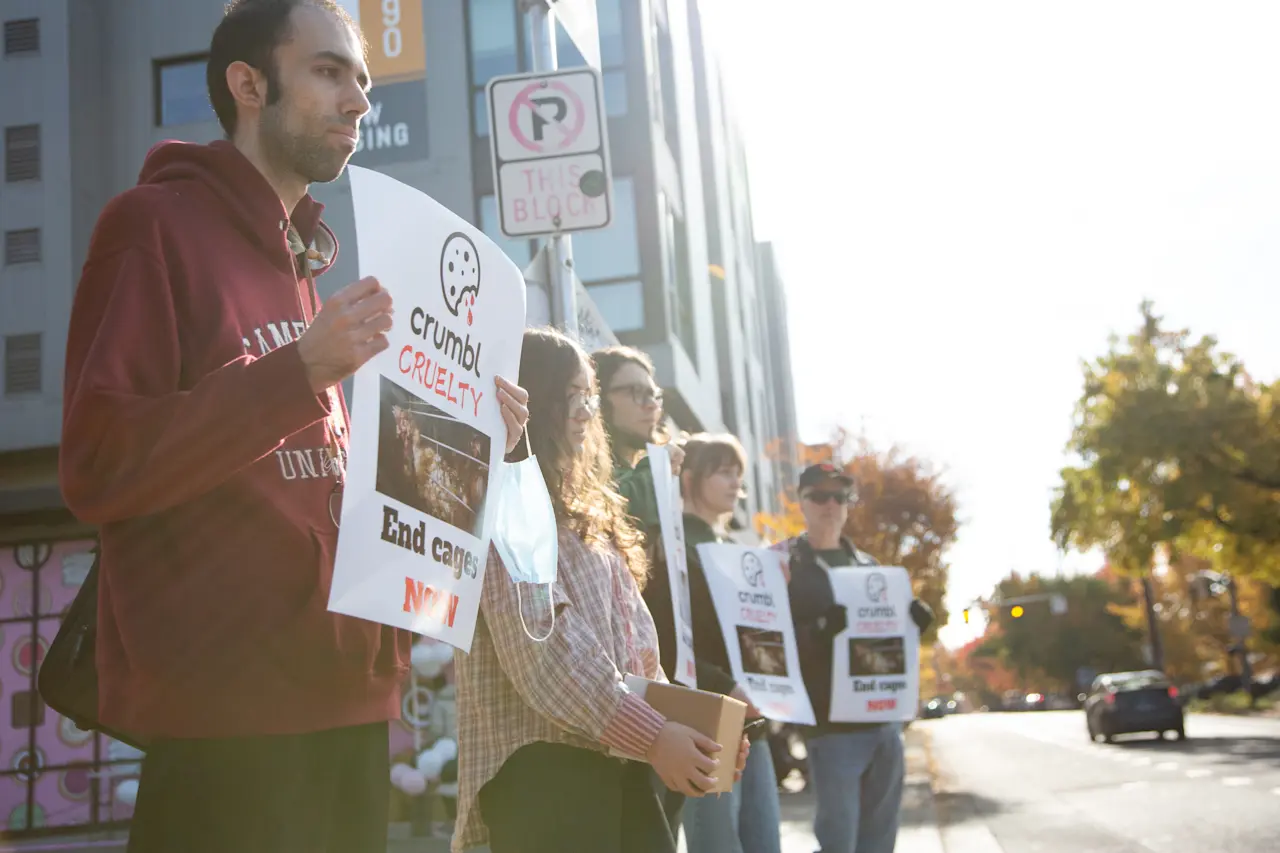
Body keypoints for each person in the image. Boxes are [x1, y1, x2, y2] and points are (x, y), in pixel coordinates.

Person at [56, 3, 530, 851]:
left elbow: (332, 485)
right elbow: (98, 462)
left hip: (347, 702)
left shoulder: (311, 268)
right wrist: (296, 372)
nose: (358, 99)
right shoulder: (150, 227)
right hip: (225, 716)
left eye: (364, 80)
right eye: (328, 70)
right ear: (249, 84)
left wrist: (479, 438)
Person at [453, 328, 748, 853]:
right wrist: (657, 736)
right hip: (545, 781)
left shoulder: (592, 515)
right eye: (575, 394)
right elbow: (544, 647)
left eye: (591, 394)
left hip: (619, 772)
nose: (589, 411)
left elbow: (637, 655)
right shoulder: (502, 502)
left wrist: (700, 735)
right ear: (535, 398)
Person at [591, 346, 737, 838]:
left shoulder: (658, 476)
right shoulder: (595, 470)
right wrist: (657, 475)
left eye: (653, 392)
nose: (650, 402)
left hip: (666, 681)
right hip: (612, 693)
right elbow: (612, 505)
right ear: (596, 399)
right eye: (633, 391)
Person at [774, 464, 934, 853]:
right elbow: (772, 643)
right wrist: (819, 630)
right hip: (831, 727)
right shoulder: (786, 566)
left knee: (880, 840)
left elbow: (888, 637)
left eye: (839, 496)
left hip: (883, 723)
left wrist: (913, 623)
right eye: (819, 496)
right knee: (839, 840)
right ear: (802, 502)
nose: (830, 504)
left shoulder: (870, 568)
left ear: (847, 505)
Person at [678, 434, 784, 853]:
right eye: (723, 471)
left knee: (764, 843)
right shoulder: (671, 544)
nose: (735, 482)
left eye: (738, 473)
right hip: (707, 721)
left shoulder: (740, 553)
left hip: (753, 725)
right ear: (689, 479)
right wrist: (724, 685)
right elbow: (670, 641)